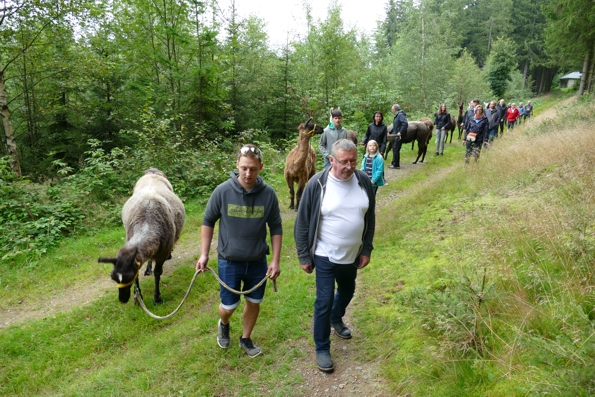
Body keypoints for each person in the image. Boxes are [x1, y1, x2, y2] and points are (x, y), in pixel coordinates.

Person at [294, 139, 376, 373]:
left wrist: (366, 248)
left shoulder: (363, 181)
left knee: (348, 290)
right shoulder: (317, 184)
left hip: (352, 255)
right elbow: (302, 223)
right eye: (344, 162)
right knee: (323, 300)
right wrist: (304, 256)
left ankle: (336, 317)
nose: (349, 166)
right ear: (331, 160)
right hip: (324, 254)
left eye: (353, 160)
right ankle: (322, 348)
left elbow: (370, 218)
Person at [196, 144, 282, 358]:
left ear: (260, 166)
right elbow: (208, 221)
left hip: (257, 260)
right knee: (229, 305)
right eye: (244, 168)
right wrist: (204, 254)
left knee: (254, 302)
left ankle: (245, 338)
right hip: (229, 260)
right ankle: (224, 323)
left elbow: (276, 227)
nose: (247, 173)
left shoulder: (268, 194)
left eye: (253, 168)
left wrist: (276, 260)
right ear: (237, 165)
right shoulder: (222, 191)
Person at [389, 104, 408, 169]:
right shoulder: (397, 115)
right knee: (395, 149)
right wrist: (390, 132)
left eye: (392, 109)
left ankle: (396, 165)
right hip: (396, 135)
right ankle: (394, 163)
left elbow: (405, 124)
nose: (392, 111)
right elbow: (396, 126)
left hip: (399, 136)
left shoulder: (400, 115)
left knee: (396, 149)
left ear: (394, 109)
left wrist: (400, 132)